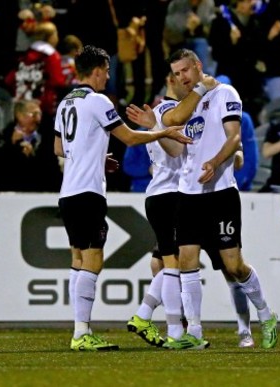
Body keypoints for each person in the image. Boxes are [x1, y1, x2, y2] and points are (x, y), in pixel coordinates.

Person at [129, 48, 278, 350]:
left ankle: (265, 313)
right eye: (177, 73)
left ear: (198, 66)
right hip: (188, 193)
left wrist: (214, 161)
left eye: (185, 70)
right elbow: (174, 134)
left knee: (234, 265)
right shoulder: (187, 104)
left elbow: (234, 137)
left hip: (221, 192)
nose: (181, 77)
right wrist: (159, 126)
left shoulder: (225, 93)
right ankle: (194, 331)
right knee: (186, 261)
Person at [53, 45, 191, 352]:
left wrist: (97, 158)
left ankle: (79, 331)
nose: (108, 77)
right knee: (93, 259)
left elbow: (59, 149)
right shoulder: (97, 100)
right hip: (89, 192)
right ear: (99, 70)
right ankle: (81, 334)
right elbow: (128, 137)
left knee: (77, 260)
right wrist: (163, 132)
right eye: (107, 71)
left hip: (68, 192)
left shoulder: (65, 102)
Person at [0, 99, 61, 192]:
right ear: (19, 115)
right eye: (34, 114)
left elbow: (54, 172)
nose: (37, 119)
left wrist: (33, 155)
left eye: (39, 114)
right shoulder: (1, 137)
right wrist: (11, 145)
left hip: (40, 191)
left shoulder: (48, 138)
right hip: (9, 193)